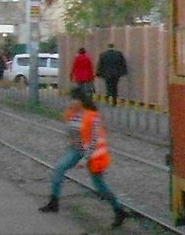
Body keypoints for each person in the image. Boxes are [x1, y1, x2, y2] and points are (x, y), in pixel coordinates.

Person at [40, 87, 127, 227]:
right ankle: (54, 202)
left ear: (80, 101)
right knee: (59, 169)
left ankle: (118, 209)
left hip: (93, 154)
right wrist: (71, 144)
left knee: (100, 186)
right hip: (76, 150)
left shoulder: (93, 117)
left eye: (73, 100)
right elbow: (71, 133)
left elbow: (94, 140)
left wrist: (85, 158)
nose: (70, 103)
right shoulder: (70, 114)